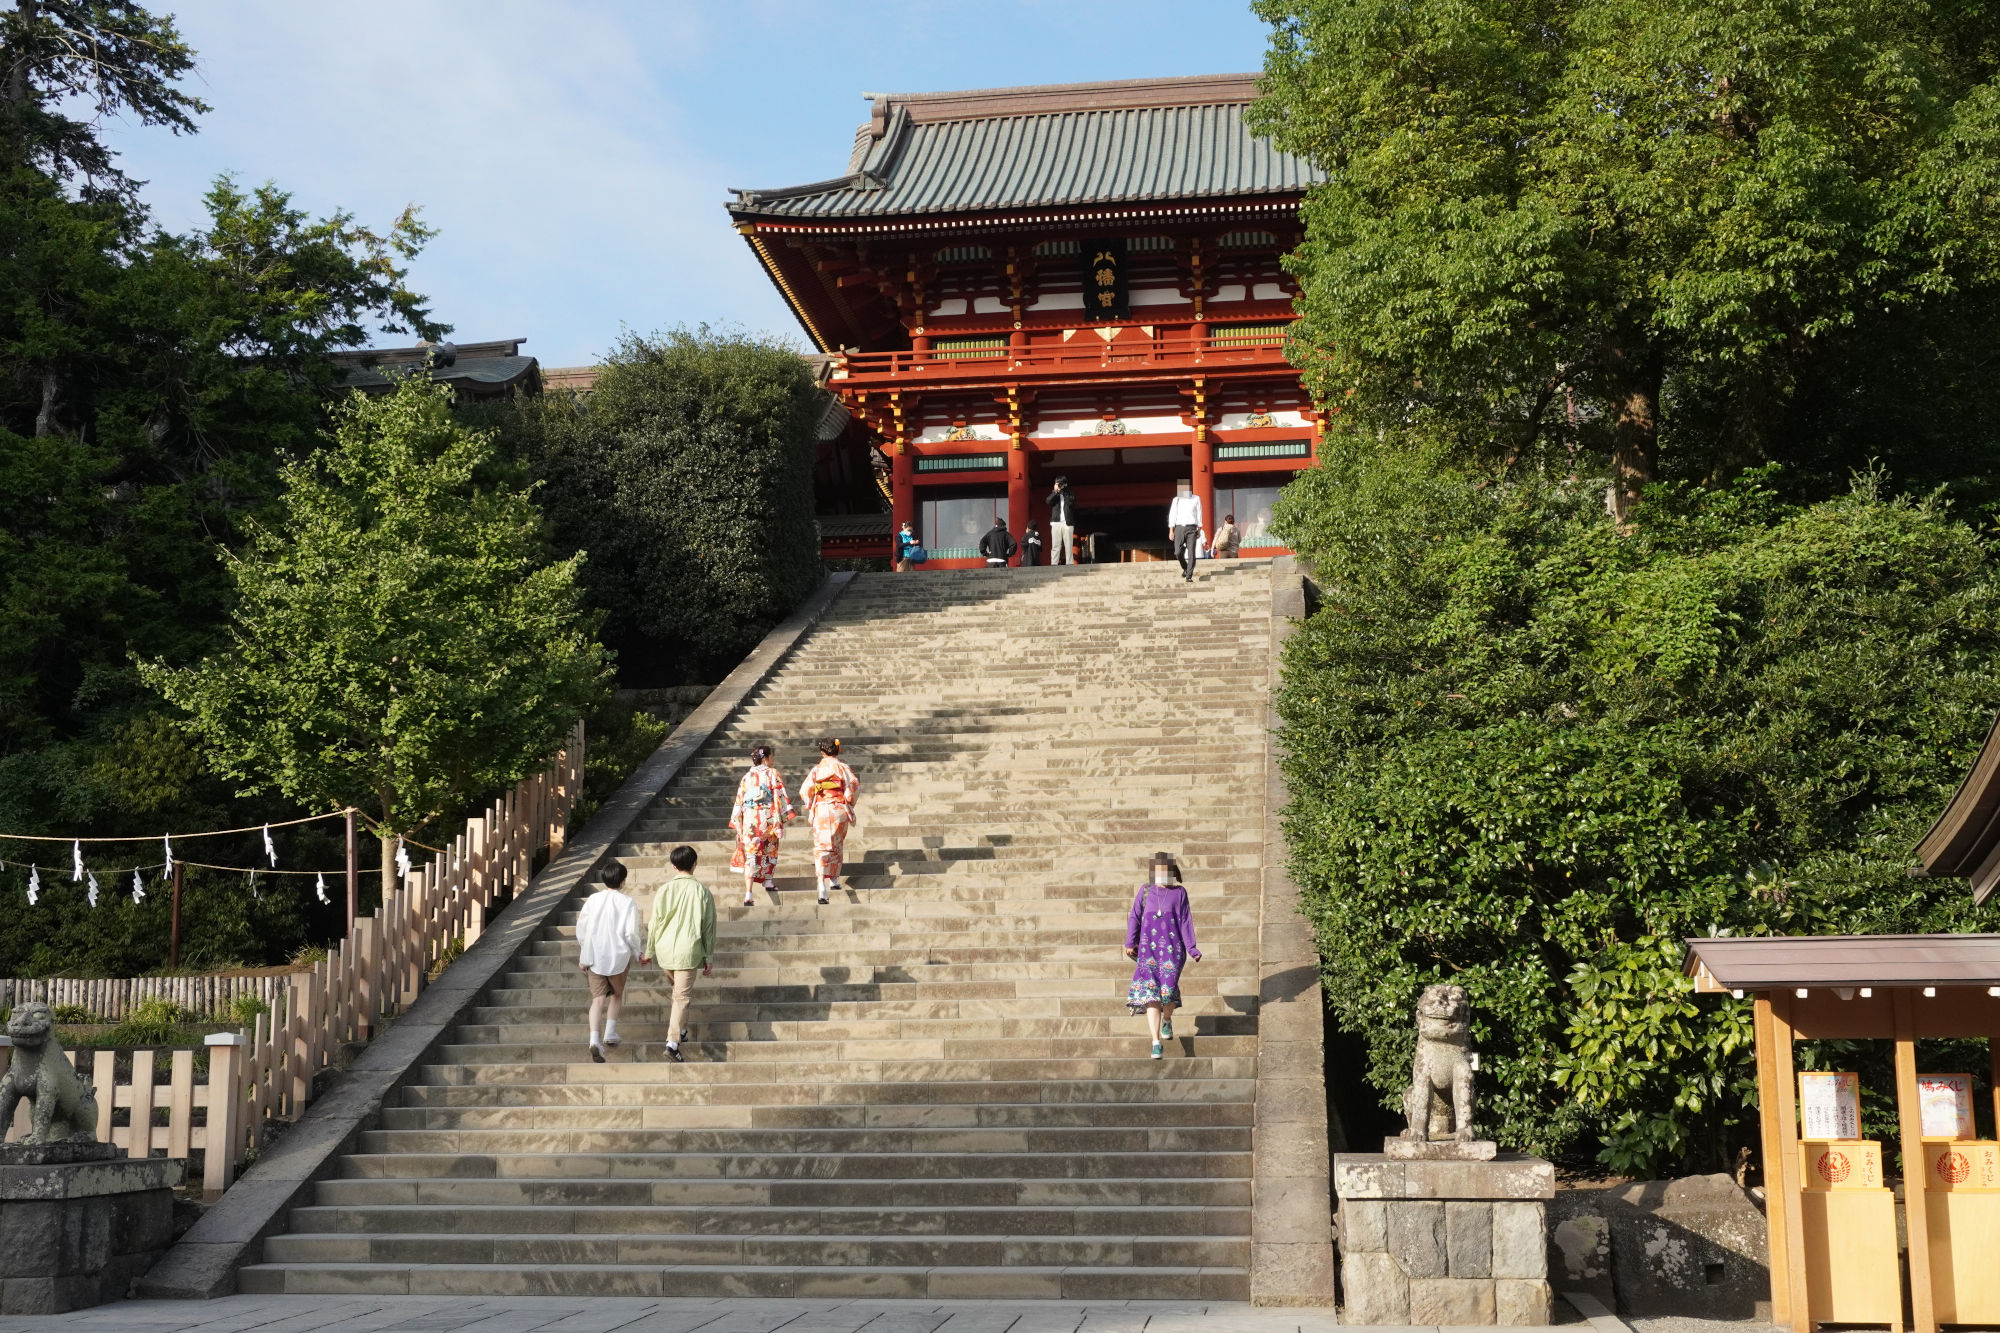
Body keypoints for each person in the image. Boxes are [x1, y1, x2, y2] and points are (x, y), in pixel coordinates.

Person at [642, 844, 715, 1063]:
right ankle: (672, 1043)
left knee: (678, 993)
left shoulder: (664, 890)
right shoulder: (702, 891)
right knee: (681, 996)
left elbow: (655, 922)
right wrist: (708, 956)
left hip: (666, 950)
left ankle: (681, 1030)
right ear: (695, 863)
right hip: (688, 950)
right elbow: (708, 927)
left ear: (673, 866)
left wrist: (649, 950)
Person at [1125, 851, 1200, 1059]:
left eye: (1165, 871)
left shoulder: (1180, 893)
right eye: (1158, 871)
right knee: (1151, 996)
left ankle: (1167, 1019)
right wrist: (1130, 941)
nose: (1161, 874)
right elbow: (1135, 916)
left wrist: (1192, 948)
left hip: (1173, 951)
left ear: (1172, 872)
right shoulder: (1146, 891)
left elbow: (1185, 921)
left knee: (1166, 993)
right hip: (1148, 950)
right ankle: (1155, 1042)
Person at [575, 860, 642, 1063]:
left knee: (597, 1000)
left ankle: (594, 1039)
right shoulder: (628, 902)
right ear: (623, 881)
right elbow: (630, 933)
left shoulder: (593, 900)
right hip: (618, 957)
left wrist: (584, 953)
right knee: (617, 995)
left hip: (595, 957)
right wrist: (638, 953)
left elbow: (582, 929)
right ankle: (610, 1033)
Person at [728, 744, 794, 906]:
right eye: (772, 757)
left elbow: (739, 801)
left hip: (750, 819)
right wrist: (780, 817)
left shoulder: (746, 777)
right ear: (765, 758)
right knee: (770, 848)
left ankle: (748, 893)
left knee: (751, 854)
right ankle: (768, 881)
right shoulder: (772, 773)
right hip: (767, 817)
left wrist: (739, 822)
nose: (773, 760)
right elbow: (778, 795)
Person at [798, 737, 860, 905]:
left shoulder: (817, 769)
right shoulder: (843, 768)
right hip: (839, 809)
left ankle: (821, 884)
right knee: (837, 844)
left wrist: (811, 804)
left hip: (822, 810)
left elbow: (804, 791)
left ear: (822, 752)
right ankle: (834, 879)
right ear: (838, 750)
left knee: (821, 846)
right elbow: (853, 787)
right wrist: (848, 802)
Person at [1167, 481, 1203, 582]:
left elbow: (1199, 513)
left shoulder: (1196, 498)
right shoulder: (1177, 499)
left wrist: (1199, 529)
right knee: (1177, 552)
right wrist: (1171, 530)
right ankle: (1185, 568)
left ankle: (1189, 576)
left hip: (1192, 528)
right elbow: (1172, 514)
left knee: (1191, 552)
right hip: (1179, 527)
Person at [1047, 476, 1077, 565]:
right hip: (1056, 523)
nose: (1058, 485)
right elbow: (1048, 501)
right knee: (1055, 546)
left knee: (1068, 545)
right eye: (1056, 484)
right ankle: (1054, 564)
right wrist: (1056, 492)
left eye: (1060, 484)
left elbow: (1071, 503)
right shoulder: (1054, 494)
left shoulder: (1069, 493)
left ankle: (1069, 564)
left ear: (1065, 484)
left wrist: (1064, 492)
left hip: (1068, 523)